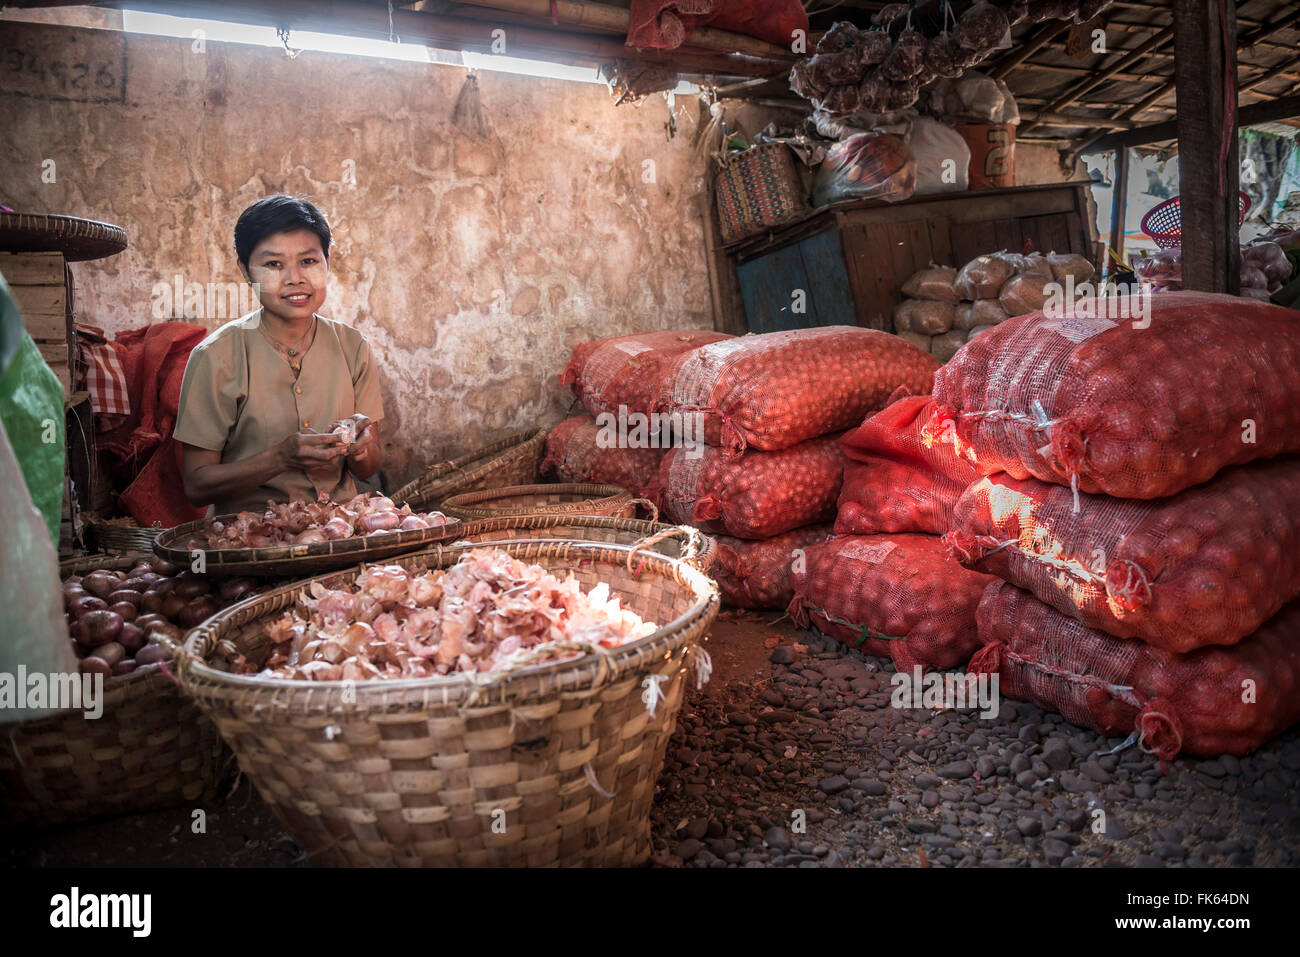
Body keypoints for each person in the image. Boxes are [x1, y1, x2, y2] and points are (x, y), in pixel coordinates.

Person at [174, 195, 383, 515]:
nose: (295, 278)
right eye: (273, 264)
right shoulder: (215, 357)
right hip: (252, 539)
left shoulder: (352, 346)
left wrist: (360, 448)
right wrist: (279, 459)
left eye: (308, 261)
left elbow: (369, 468)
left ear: (328, 263)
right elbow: (197, 486)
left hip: (341, 530)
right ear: (245, 270)